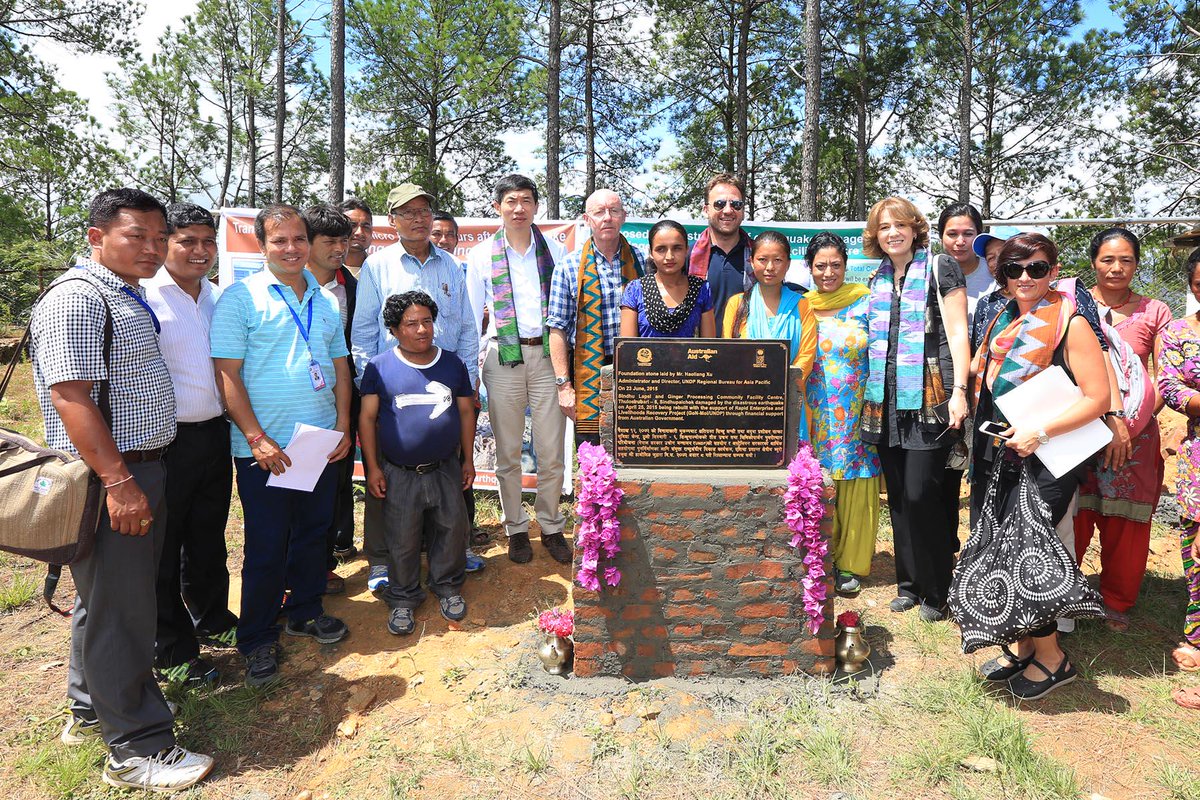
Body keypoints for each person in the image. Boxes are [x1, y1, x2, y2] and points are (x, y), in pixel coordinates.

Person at [31, 188, 213, 791]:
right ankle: (136, 746)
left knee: (104, 601)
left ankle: (90, 707)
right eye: (137, 236)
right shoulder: (80, 299)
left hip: (139, 466)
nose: (152, 248)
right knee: (125, 607)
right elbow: (71, 396)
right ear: (96, 237)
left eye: (159, 237)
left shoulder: (123, 294)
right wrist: (119, 482)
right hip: (115, 474)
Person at [211, 203, 352, 688]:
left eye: (298, 239)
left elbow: (339, 368)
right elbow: (226, 375)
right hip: (264, 449)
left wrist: (344, 424)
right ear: (262, 245)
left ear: (309, 243)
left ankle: (306, 611)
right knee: (268, 546)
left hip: (317, 440)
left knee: (314, 532)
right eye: (279, 241)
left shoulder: (326, 299)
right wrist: (256, 438)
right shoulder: (240, 298)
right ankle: (256, 638)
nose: (291, 249)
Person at [971, 233, 1109, 700]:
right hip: (1005, 450)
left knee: (1032, 552)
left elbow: (1098, 398)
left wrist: (1041, 432)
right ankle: (1028, 647)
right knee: (1005, 549)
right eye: (1015, 269)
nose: (1025, 278)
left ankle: (1055, 660)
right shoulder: (1004, 317)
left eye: (1037, 268)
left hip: (1048, 455)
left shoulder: (1070, 322)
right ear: (1002, 275)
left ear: (1054, 272)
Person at [351, 184, 482, 589]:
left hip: (444, 381)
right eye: (407, 212)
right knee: (388, 473)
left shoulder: (450, 265)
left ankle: (452, 548)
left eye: (425, 210)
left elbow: (464, 328)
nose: (419, 218)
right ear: (393, 221)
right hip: (394, 383)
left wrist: (469, 382)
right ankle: (381, 560)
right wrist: (368, 384)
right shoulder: (378, 266)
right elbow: (363, 330)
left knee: (447, 465)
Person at [859, 196, 970, 622]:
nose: (892, 233)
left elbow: (958, 333)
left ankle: (937, 589)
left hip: (931, 397)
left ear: (915, 228)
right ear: (876, 234)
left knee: (925, 494)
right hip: (884, 402)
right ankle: (908, 585)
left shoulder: (941, 267)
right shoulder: (877, 277)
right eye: (884, 227)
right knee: (901, 499)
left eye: (900, 225)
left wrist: (960, 390)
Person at [144, 203, 237, 688]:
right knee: (164, 548)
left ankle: (213, 618)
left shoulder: (217, 298)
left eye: (208, 242)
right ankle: (173, 650)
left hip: (214, 434)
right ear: (165, 245)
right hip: (166, 443)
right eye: (188, 242)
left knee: (207, 536)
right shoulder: (144, 297)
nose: (200, 252)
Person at [466, 174, 571, 565]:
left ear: (536, 206)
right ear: (497, 207)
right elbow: (471, 317)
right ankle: (515, 528)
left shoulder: (555, 254)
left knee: (550, 450)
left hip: (546, 357)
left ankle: (551, 525)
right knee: (508, 452)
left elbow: (564, 315)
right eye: (510, 201)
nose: (518, 208)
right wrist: (472, 372)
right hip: (501, 358)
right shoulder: (480, 256)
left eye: (526, 200)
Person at [359, 291, 475, 635]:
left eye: (427, 321)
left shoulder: (452, 363)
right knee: (402, 537)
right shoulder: (379, 367)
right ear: (394, 329)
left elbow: (467, 411)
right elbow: (367, 419)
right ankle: (403, 597)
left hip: (445, 467)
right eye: (411, 323)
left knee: (451, 529)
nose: (422, 330)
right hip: (400, 472)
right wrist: (373, 469)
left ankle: (447, 586)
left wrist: (467, 459)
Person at [1074, 228, 1172, 631]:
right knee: (1074, 513)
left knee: (1125, 523)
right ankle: (1065, 593)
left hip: (1136, 435)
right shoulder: (1071, 304)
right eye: (1108, 260)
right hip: (1079, 428)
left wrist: (1131, 425)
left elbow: (1165, 378)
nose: (1117, 268)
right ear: (1094, 261)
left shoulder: (1154, 312)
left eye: (1127, 260)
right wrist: (1097, 420)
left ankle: (1116, 598)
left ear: (1136, 263)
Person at [802, 231, 880, 596]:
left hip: (857, 408)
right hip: (813, 411)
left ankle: (849, 562)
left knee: (855, 476)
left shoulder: (866, 302)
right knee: (816, 478)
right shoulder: (802, 306)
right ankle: (817, 555)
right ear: (809, 268)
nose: (828, 272)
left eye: (836, 265)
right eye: (821, 266)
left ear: (847, 267)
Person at [548, 188, 645, 445]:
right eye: (599, 212)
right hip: (587, 367)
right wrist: (563, 387)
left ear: (624, 216)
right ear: (586, 218)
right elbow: (557, 329)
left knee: (635, 445)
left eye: (614, 211)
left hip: (636, 368)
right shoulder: (569, 266)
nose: (607, 218)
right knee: (593, 453)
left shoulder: (643, 262)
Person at [303, 204, 359, 593]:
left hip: (338, 401)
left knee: (334, 484)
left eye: (344, 239)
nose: (339, 248)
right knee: (297, 491)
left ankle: (322, 564)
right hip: (294, 404)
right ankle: (295, 577)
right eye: (329, 241)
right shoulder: (286, 286)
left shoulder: (351, 287)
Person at [1156, 246, 1200, 710]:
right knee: (1196, 546)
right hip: (1199, 447)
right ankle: (1197, 635)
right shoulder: (1179, 334)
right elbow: (1170, 387)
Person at [428, 209, 484, 544]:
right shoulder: (407, 273)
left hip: (456, 378)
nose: (443, 239)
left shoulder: (462, 273)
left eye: (450, 234)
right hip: (416, 380)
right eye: (437, 233)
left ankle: (464, 527)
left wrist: (470, 381)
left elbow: (469, 329)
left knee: (460, 457)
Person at [720, 230, 817, 373]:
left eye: (777, 260)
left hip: (789, 390)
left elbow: (806, 356)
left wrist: (779, 385)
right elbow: (728, 353)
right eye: (762, 259)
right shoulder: (736, 304)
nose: (770, 267)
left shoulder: (802, 305)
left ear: (788, 264)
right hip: (745, 390)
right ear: (752, 262)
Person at [621, 220, 715, 338]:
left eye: (677, 248)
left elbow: (708, 348)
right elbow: (627, 348)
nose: (669, 256)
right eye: (661, 249)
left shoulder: (701, 289)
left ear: (686, 250)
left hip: (689, 357)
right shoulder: (635, 290)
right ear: (651, 253)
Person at [688, 173, 754, 324]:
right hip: (700, 346)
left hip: (748, 346)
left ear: (743, 210)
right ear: (706, 209)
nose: (728, 210)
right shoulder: (687, 256)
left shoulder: (758, 256)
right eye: (719, 204)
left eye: (736, 204)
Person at [938, 203, 997, 327]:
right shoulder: (928, 275)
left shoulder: (995, 272)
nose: (960, 242)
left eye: (968, 234)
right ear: (941, 237)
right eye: (952, 234)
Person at [339, 198, 374, 275]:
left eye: (366, 226)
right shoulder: (325, 269)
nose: (360, 232)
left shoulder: (380, 269)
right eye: (352, 225)